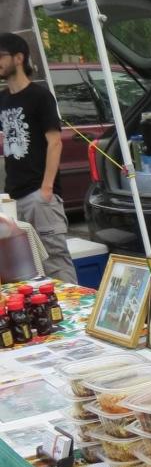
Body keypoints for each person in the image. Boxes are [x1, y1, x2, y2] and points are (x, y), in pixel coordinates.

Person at [0, 32, 78, 283]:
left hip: (38, 194)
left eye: (0, 56)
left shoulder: (40, 96)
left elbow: (54, 142)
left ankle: (74, 314)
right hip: (13, 195)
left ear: (19, 57)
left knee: (54, 261)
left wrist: (46, 189)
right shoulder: (2, 98)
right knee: (24, 265)